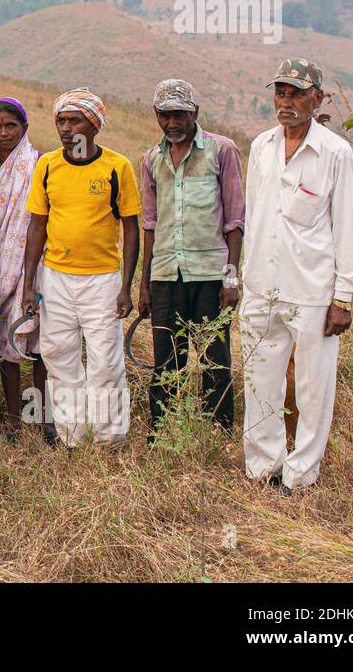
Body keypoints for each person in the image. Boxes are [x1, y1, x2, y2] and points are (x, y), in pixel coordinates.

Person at [240, 59, 353, 494]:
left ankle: (301, 474)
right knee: (260, 380)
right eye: (281, 92)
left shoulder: (334, 152)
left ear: (318, 99)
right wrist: (243, 280)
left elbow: (346, 224)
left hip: (312, 291)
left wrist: (344, 297)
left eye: (296, 93)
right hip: (261, 287)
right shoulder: (261, 146)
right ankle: (262, 466)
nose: (286, 102)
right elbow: (253, 217)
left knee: (313, 388)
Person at [21, 89, 140, 448]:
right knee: (60, 358)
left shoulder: (117, 167)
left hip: (102, 279)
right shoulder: (48, 166)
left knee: (106, 361)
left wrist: (126, 287)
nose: (66, 127)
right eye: (61, 120)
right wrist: (29, 285)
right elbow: (37, 226)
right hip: (55, 277)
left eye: (75, 120)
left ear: (94, 125)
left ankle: (109, 438)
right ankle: (72, 437)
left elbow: (132, 229)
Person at [137, 80, 244, 439]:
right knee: (167, 361)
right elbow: (150, 224)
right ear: (156, 115)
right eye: (165, 116)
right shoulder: (151, 160)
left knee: (215, 358)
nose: (172, 123)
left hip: (211, 274)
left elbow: (235, 221)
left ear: (195, 113)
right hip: (167, 275)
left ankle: (219, 432)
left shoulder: (221, 151)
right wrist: (145, 284)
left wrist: (231, 280)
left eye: (179, 115)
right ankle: (165, 432)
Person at [0, 97, 52, 443]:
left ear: (25, 128)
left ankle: (43, 419)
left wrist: (31, 276)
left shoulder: (38, 165)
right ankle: (11, 421)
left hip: (35, 267)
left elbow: (43, 219)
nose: (3, 133)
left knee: (38, 346)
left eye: (11, 126)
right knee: (6, 346)